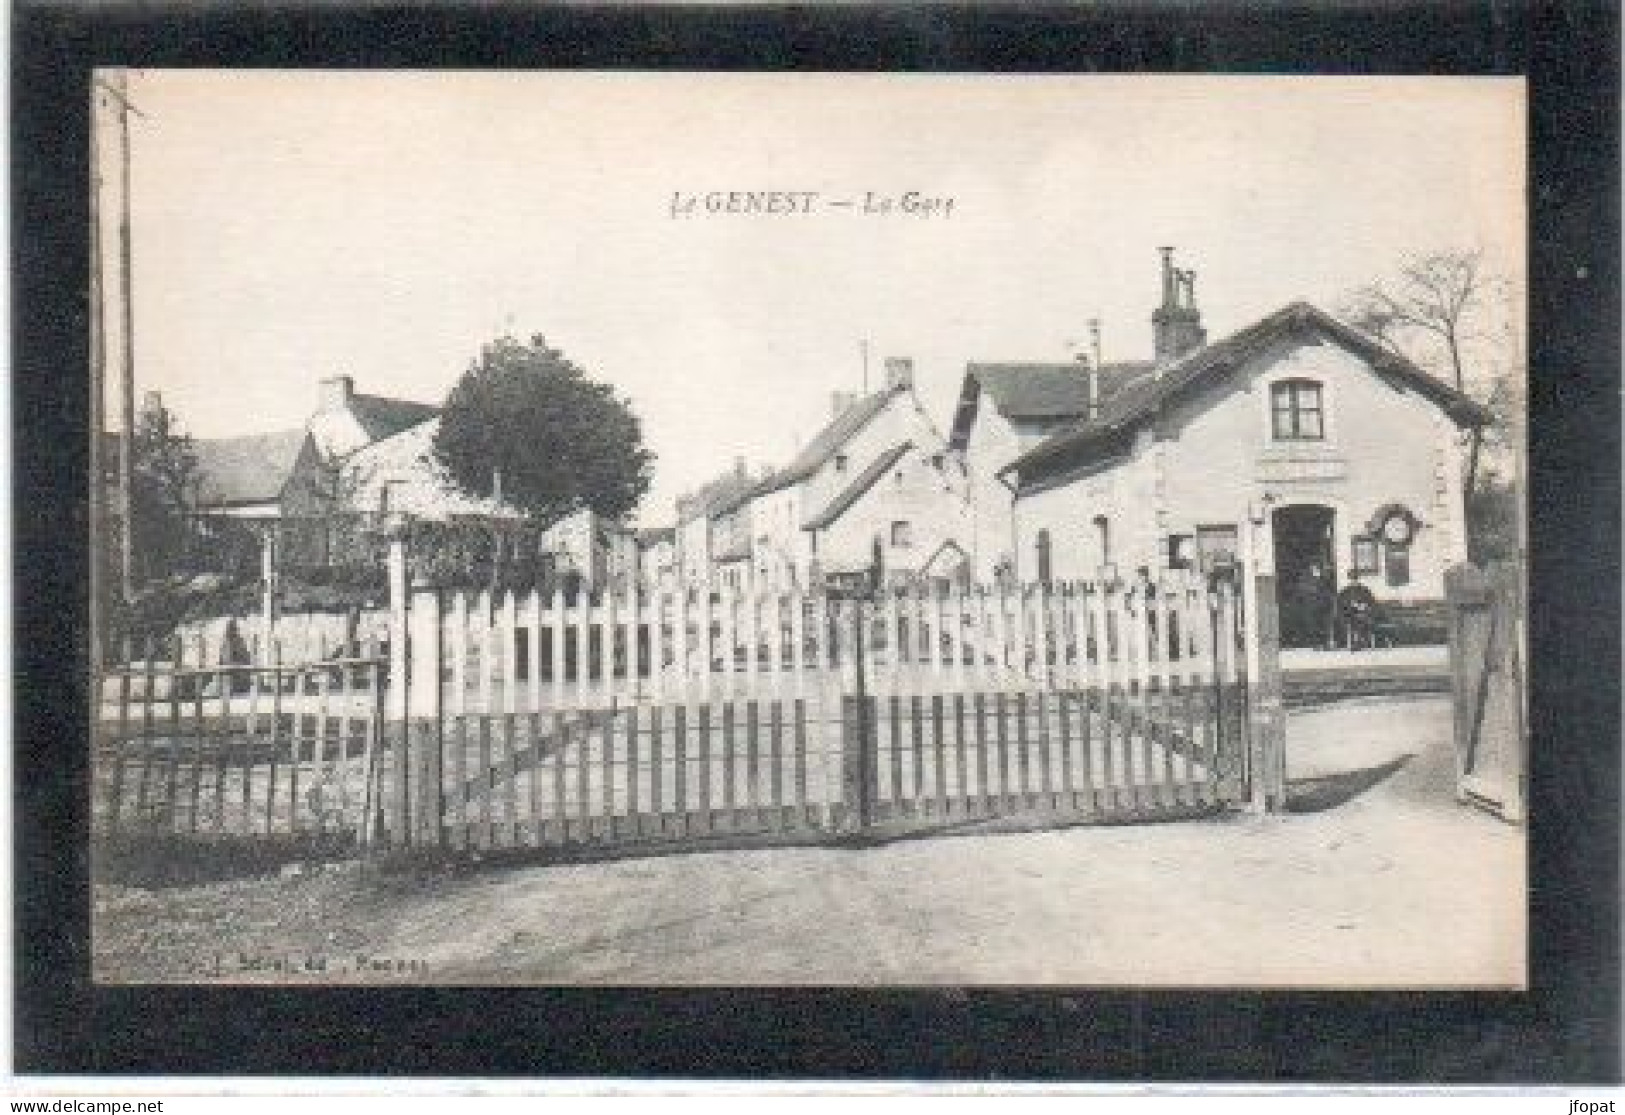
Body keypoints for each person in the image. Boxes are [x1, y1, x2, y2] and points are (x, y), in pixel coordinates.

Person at [1336, 571, 1378, 650]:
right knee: (1351, 620)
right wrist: (1350, 606)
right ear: (1349, 579)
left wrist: (1364, 605)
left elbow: (1372, 603)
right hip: (1349, 615)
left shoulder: (1365, 590)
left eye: (1355, 579)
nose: (1354, 581)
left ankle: (1361, 641)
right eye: (1352, 579)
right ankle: (1353, 642)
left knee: (1362, 620)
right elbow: (1340, 604)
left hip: (1363, 614)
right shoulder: (1345, 591)